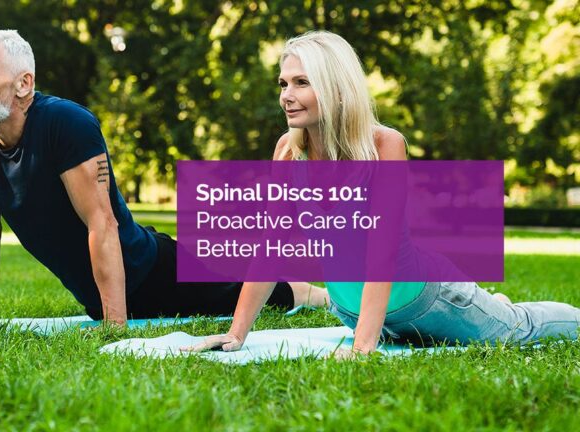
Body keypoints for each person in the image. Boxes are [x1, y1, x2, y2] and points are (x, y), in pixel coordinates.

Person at [185, 31, 580, 356]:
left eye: (302, 82)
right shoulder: (288, 151)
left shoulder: (383, 145)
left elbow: (382, 251)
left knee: (517, 328)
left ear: (337, 88)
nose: (286, 95)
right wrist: (236, 333)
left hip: (428, 302)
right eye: (284, 83)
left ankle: (500, 306)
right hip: (353, 311)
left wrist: (362, 347)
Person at [0, 29, 327, 327]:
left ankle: (319, 296)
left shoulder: (65, 124)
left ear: (24, 84)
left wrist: (115, 325)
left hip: (150, 271)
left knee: (245, 291)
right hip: (100, 293)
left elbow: (102, 222)